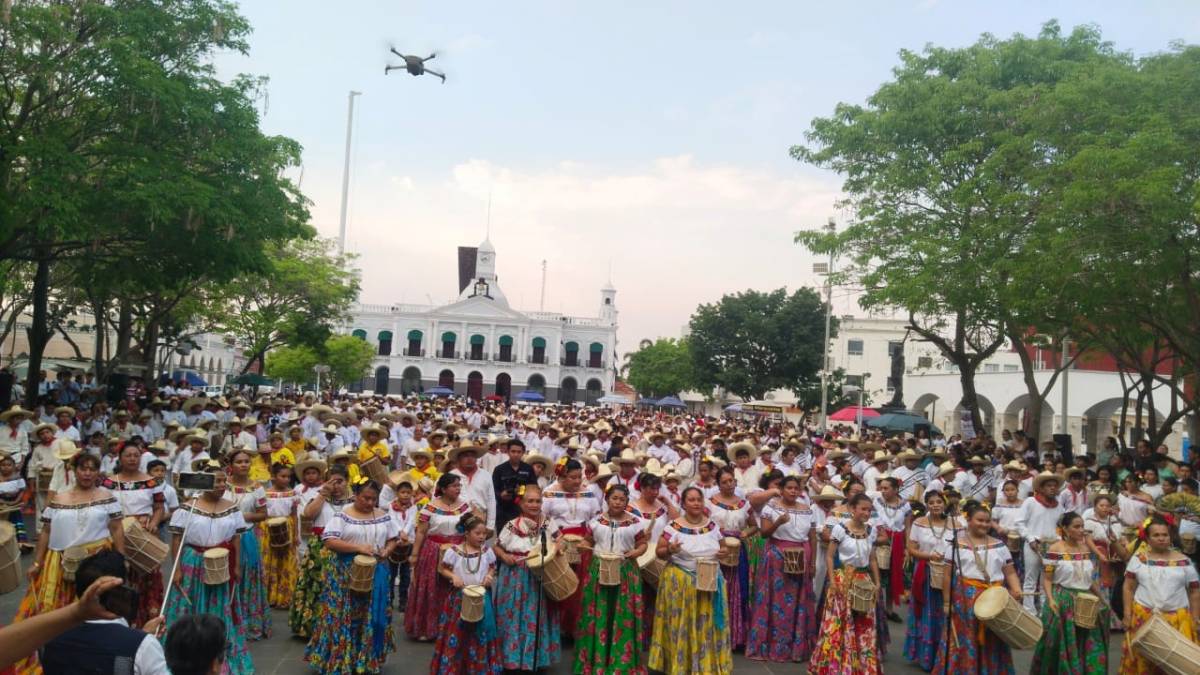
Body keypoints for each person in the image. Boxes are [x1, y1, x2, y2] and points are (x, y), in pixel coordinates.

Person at [9, 451, 125, 674]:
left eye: (92, 468)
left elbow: (117, 528)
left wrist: (121, 558)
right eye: (83, 468)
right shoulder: (59, 498)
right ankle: (60, 653)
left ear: (98, 471)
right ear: (74, 470)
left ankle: (92, 654)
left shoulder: (107, 496)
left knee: (96, 607)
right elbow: (46, 531)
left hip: (96, 562)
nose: (87, 473)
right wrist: (37, 562)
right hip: (59, 562)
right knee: (56, 611)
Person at [161, 460, 253, 674]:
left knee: (221, 605)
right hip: (193, 562)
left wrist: (237, 566)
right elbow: (177, 540)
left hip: (222, 562)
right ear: (204, 483)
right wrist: (176, 569)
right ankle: (187, 650)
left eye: (223, 481)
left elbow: (237, 538)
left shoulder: (231, 507)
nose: (221, 485)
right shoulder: (188, 507)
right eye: (216, 481)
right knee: (189, 603)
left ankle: (218, 650)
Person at [306, 477, 401, 674]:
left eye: (373, 499)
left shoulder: (383, 514)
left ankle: (367, 659)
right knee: (346, 616)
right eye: (365, 498)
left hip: (377, 571)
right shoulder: (342, 516)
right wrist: (358, 547)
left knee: (373, 616)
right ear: (355, 495)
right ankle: (342, 660)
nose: (369, 503)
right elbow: (329, 541)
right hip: (345, 573)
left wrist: (387, 550)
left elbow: (393, 538)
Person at [930, 500, 1023, 675]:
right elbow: (947, 575)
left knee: (994, 638)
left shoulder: (999, 545)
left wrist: (1016, 590)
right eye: (980, 520)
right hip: (965, 599)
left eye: (987, 521)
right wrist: (946, 602)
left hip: (995, 599)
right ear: (969, 521)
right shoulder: (957, 545)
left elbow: (1010, 572)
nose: (984, 524)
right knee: (967, 638)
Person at [647, 486, 733, 675]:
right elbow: (659, 553)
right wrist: (670, 550)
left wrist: (723, 552)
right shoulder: (673, 527)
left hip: (709, 581)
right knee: (683, 625)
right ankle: (681, 666)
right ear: (684, 504)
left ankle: (705, 664)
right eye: (691, 500)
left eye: (699, 500)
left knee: (705, 624)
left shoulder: (712, 526)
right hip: (681, 581)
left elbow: (724, 548)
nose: (696, 503)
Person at [39, 550, 168, 675]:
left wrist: (140, 637)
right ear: (120, 592)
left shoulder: (47, 636)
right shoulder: (144, 647)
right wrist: (142, 641)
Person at [575, 484, 647, 674]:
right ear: (607, 499)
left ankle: (621, 663)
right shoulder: (595, 522)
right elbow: (588, 542)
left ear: (627, 501)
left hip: (626, 572)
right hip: (599, 571)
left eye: (622, 499)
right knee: (600, 612)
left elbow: (643, 544)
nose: (617, 502)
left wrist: (636, 552)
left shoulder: (636, 522)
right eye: (614, 498)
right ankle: (597, 661)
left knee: (622, 616)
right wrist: (582, 545)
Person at [809, 493, 883, 675]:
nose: (867, 512)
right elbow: (829, 555)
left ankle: (862, 666)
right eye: (863, 509)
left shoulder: (871, 531)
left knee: (864, 623)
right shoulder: (840, 529)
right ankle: (837, 666)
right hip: (844, 579)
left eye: (869, 509)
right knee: (839, 623)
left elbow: (872, 559)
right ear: (852, 509)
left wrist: (877, 581)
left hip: (863, 581)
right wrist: (833, 581)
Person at [746, 474, 816, 663]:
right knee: (775, 601)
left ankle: (796, 646)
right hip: (777, 555)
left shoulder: (807, 509)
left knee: (797, 602)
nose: (793, 491)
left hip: (801, 556)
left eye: (796, 488)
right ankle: (771, 644)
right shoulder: (771, 507)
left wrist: (812, 563)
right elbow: (764, 534)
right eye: (789, 488)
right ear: (782, 489)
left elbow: (812, 537)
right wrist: (779, 522)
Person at [492, 484, 563, 671]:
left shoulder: (548, 522)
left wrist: (558, 548)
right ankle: (513, 658)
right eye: (529, 501)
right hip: (516, 574)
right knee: (514, 615)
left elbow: (559, 539)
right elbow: (497, 546)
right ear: (521, 503)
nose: (534, 505)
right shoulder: (511, 525)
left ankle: (536, 658)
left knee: (538, 614)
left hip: (541, 573)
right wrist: (505, 556)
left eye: (538, 501)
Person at [1119, 514, 1200, 675]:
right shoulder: (1138, 560)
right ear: (1147, 539)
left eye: (1165, 535)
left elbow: (1194, 591)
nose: (1161, 538)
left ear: (1170, 537)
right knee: (1144, 664)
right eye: (1156, 535)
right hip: (1144, 618)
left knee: (1178, 666)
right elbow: (1128, 587)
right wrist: (1127, 614)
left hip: (1177, 620)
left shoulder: (1184, 561)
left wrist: (1196, 618)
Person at [1030, 511, 1109, 674]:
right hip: (1063, 600)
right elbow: (1047, 578)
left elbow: (1089, 579)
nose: (1081, 530)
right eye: (1076, 527)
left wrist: (1101, 598)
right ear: (1065, 529)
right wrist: (1050, 599)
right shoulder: (1054, 550)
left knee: (1088, 642)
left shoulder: (1085, 549)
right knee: (1062, 644)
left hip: (1086, 602)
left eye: (1082, 527)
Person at [102, 442, 166, 627]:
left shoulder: (152, 482)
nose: (132, 459)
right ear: (120, 458)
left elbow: (159, 508)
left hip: (143, 533)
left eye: (136, 455)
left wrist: (154, 523)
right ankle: (120, 622)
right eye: (128, 455)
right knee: (120, 574)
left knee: (148, 577)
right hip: (116, 531)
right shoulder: (108, 482)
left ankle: (149, 621)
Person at [429, 511, 501, 674]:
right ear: (467, 534)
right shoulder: (454, 551)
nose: (482, 537)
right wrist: (453, 576)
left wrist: (489, 576)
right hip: (459, 598)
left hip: (481, 597)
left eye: (484, 534)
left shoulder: (487, 551)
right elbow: (443, 569)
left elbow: (492, 567)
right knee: (458, 631)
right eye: (478, 533)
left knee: (480, 632)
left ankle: (479, 668)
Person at [405, 473, 471, 641]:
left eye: (459, 485)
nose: (458, 489)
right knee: (432, 588)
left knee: (454, 587)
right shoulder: (429, 507)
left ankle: (454, 627)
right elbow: (421, 531)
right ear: (443, 488)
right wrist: (414, 554)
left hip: (457, 550)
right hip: (433, 550)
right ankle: (428, 629)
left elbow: (471, 528)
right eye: (454, 486)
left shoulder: (465, 507)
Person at [542, 457, 602, 639]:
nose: (577, 481)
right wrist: (557, 538)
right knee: (561, 583)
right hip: (559, 543)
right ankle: (556, 628)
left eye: (579, 477)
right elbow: (541, 519)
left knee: (581, 586)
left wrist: (588, 538)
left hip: (583, 543)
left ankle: (575, 627)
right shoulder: (549, 493)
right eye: (573, 478)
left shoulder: (588, 494)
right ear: (562, 476)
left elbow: (596, 517)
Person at [289, 464, 350, 639]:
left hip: (343, 547)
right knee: (316, 588)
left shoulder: (354, 501)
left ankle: (338, 625)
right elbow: (308, 515)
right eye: (332, 482)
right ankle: (312, 627)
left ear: (347, 482)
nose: (336, 486)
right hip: (320, 548)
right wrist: (323, 493)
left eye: (340, 482)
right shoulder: (319, 498)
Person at [223, 448, 270, 640]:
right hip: (224, 537)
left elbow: (263, 513)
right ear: (231, 466)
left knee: (248, 578)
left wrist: (246, 516)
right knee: (228, 577)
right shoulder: (222, 486)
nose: (243, 465)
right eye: (239, 462)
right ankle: (229, 622)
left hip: (248, 537)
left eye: (246, 461)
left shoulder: (257, 487)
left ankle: (251, 624)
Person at [904, 490, 953, 672]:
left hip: (948, 572)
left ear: (945, 503)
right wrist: (929, 556)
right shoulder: (919, 523)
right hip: (925, 571)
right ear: (926, 505)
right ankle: (926, 656)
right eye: (931, 502)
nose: (935, 505)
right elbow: (911, 548)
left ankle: (946, 655)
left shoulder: (956, 524)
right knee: (926, 610)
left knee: (946, 611)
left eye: (939, 501)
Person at [705, 466, 754, 652]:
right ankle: (714, 635)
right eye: (724, 482)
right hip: (717, 549)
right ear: (717, 484)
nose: (729, 484)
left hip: (738, 550)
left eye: (731, 480)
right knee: (716, 588)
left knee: (738, 589)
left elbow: (754, 526)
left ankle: (735, 637)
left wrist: (745, 532)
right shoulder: (710, 503)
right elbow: (703, 524)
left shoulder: (743, 504)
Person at [1017, 471, 1065, 612]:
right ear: (1041, 488)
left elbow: (1060, 526)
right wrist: (1030, 539)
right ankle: (1029, 611)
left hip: (1052, 546)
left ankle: (1046, 610)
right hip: (1033, 544)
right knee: (1031, 579)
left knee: (1048, 579)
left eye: (1055, 486)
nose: (1052, 488)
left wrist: (1059, 541)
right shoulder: (1030, 502)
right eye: (1049, 485)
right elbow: (1019, 522)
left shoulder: (1059, 506)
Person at [258, 462, 299, 609]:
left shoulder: (293, 493)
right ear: (273, 477)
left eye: (289, 477)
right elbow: (261, 514)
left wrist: (296, 534)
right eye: (283, 476)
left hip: (287, 527)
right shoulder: (265, 493)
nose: (286, 479)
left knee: (286, 562)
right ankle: (269, 597)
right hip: (268, 529)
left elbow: (294, 515)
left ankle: (285, 597)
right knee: (269, 561)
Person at [873, 477, 911, 622]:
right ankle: (875, 607)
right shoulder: (876, 502)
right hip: (880, 539)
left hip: (897, 542)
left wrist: (907, 546)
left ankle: (889, 610)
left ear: (896, 489)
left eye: (886, 488)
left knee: (891, 577)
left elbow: (907, 527)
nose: (883, 491)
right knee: (877, 574)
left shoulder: (905, 506)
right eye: (881, 488)